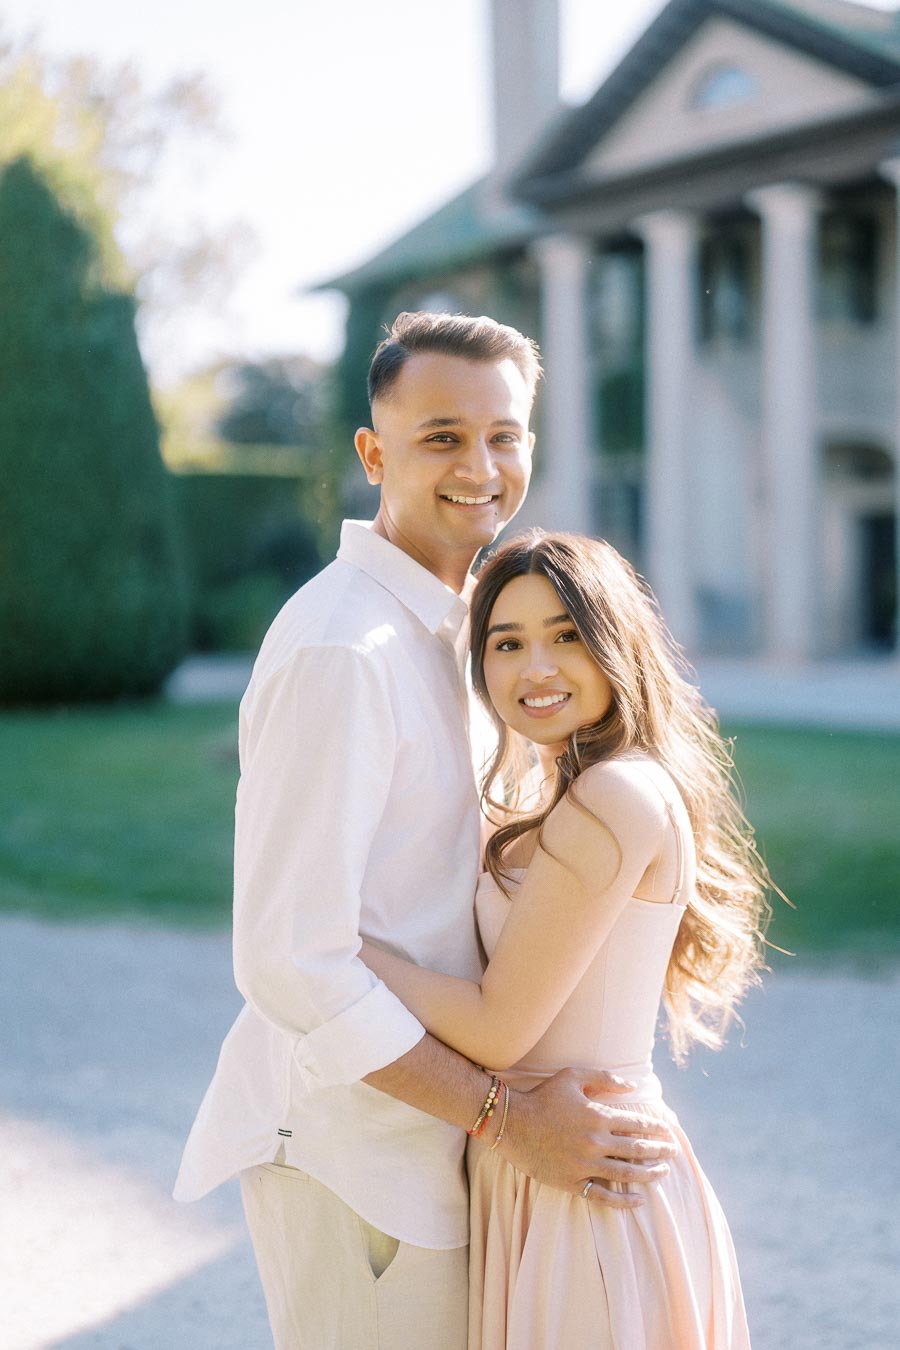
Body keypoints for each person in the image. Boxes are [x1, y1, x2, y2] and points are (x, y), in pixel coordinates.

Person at [174, 313, 678, 1350]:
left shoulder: (472, 636)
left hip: (444, 1151)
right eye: (442, 436)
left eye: (504, 436)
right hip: (360, 1154)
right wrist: (506, 1117)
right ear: (373, 453)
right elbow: (291, 962)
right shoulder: (344, 651)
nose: (479, 467)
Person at [360, 529, 772, 1349]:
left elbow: (496, 1028)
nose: (536, 669)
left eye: (566, 636)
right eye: (507, 643)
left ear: (615, 644)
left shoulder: (614, 797)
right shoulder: (556, 792)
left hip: (584, 1181)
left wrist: (336, 951)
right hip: (549, 1166)